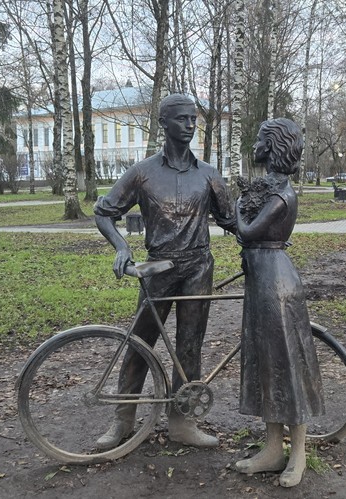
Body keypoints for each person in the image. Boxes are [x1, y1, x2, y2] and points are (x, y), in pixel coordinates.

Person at [92, 93, 237, 449]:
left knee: (190, 346)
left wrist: (269, 238)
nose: (190, 125)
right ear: (164, 124)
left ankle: (183, 422)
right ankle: (123, 420)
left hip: (198, 267)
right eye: (182, 119)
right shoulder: (142, 173)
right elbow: (103, 210)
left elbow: (233, 221)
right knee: (140, 343)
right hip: (158, 267)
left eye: (193, 120)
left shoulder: (208, 175)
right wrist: (122, 247)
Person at [232, 118, 323, 488]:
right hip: (260, 281)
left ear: (273, 146)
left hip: (276, 284)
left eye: (259, 139)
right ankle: (272, 448)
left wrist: (238, 205)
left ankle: (298, 453)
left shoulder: (281, 192)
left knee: (287, 367)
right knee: (264, 366)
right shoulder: (265, 187)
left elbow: (248, 231)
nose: (254, 143)